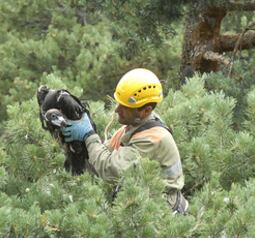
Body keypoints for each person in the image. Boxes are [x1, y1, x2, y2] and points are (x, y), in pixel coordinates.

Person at [62, 68, 188, 214]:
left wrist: (89, 135)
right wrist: (75, 145)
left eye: (124, 107)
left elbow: (110, 170)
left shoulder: (152, 138)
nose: (116, 110)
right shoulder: (132, 128)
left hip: (162, 215)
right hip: (143, 205)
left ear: (146, 111)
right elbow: (99, 162)